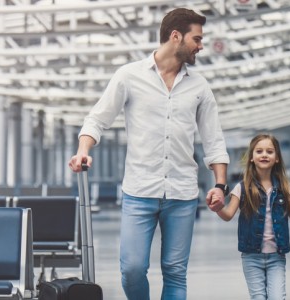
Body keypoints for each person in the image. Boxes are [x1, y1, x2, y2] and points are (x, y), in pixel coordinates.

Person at [67, 8, 230, 299]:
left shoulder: (199, 87)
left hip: (182, 193)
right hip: (139, 190)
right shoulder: (129, 76)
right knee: (131, 269)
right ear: (175, 36)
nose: (201, 45)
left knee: (175, 271)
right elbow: (97, 119)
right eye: (197, 38)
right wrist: (83, 151)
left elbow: (213, 139)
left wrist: (219, 185)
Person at [214, 134, 290, 300]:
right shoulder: (242, 188)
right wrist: (218, 208)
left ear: (277, 158)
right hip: (251, 257)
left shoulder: (287, 189)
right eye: (259, 151)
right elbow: (228, 215)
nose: (264, 154)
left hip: (277, 258)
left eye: (269, 151)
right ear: (251, 158)